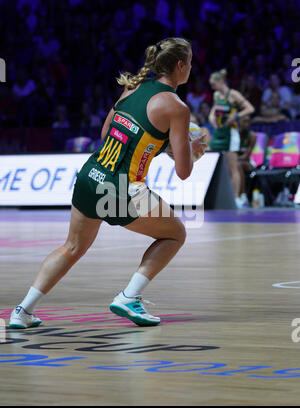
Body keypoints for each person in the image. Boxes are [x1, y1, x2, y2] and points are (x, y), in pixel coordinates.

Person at [9, 37, 207, 329]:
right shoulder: (176, 107)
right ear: (180, 65)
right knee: (175, 233)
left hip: (90, 175)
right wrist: (193, 150)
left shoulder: (132, 87)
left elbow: (106, 133)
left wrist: (161, 145)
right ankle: (129, 296)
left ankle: (22, 310)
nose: (191, 67)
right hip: (121, 188)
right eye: (189, 61)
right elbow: (184, 172)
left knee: (72, 247)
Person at [208, 69, 254, 208]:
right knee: (212, 159)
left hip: (231, 134)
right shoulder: (217, 95)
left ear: (220, 81)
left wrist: (236, 116)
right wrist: (211, 118)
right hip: (219, 133)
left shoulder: (233, 94)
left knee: (233, 167)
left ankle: (236, 199)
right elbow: (213, 112)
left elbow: (250, 109)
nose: (212, 87)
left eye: (213, 84)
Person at [236, 116, 257, 208]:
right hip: (234, 161)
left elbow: (246, 156)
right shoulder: (234, 134)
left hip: (248, 162)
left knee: (237, 165)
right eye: (244, 121)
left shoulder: (252, 135)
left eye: (248, 122)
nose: (246, 124)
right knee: (235, 165)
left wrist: (232, 159)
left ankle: (243, 195)